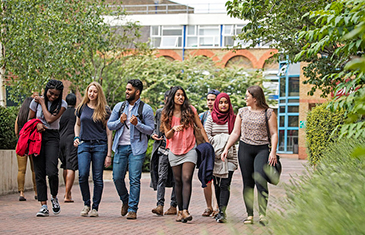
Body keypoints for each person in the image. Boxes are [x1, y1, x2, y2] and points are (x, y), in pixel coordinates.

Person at [222, 85, 278, 225]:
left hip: (262, 149)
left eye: (247, 96)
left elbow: (274, 133)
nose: (245, 99)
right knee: (248, 182)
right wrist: (226, 147)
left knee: (260, 181)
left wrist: (273, 152)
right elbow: (236, 132)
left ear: (255, 98)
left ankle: (263, 215)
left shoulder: (269, 113)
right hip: (245, 149)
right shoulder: (242, 112)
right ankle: (250, 215)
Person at [161, 86, 209, 223]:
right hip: (174, 150)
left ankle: (186, 210)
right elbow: (167, 135)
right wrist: (173, 129)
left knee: (187, 177)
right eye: (177, 95)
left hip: (190, 149)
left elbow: (200, 127)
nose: (181, 97)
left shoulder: (190, 110)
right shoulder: (166, 113)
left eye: (182, 95)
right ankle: (180, 210)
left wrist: (207, 144)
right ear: (172, 97)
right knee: (178, 181)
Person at [107, 79, 154, 220]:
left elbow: (151, 130)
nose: (126, 92)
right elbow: (110, 125)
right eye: (126, 89)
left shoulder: (146, 109)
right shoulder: (119, 107)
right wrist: (120, 121)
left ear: (137, 92)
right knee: (117, 178)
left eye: (129, 90)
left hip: (137, 149)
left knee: (134, 179)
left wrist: (138, 124)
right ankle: (125, 200)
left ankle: (133, 209)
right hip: (120, 147)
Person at [28, 80, 67, 217]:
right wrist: (37, 124)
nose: (53, 97)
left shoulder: (62, 104)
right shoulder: (35, 102)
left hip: (52, 136)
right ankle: (43, 205)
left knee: (51, 171)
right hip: (37, 136)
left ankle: (54, 197)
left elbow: (50, 119)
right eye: (50, 93)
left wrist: (43, 102)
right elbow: (29, 119)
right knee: (39, 171)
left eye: (56, 95)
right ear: (46, 90)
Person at [73, 82, 113, 217]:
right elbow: (77, 125)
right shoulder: (81, 108)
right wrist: (76, 137)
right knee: (83, 174)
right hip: (84, 144)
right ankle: (86, 204)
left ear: (99, 93)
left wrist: (109, 154)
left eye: (95, 91)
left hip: (99, 145)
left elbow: (109, 132)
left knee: (97, 178)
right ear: (87, 92)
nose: (92, 94)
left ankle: (95, 207)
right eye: (90, 91)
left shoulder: (105, 110)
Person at [204, 93, 237, 223]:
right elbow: (207, 135)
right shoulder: (211, 118)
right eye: (221, 102)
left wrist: (225, 146)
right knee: (217, 184)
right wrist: (221, 143)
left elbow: (236, 134)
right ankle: (218, 211)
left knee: (225, 184)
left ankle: (222, 212)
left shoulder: (233, 118)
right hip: (215, 156)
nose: (223, 105)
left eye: (226, 102)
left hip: (229, 155)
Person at [150, 90, 177, 216]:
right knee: (162, 177)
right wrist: (153, 135)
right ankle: (159, 205)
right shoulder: (160, 112)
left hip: (177, 150)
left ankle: (173, 206)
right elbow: (155, 127)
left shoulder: (179, 113)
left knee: (177, 179)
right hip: (163, 149)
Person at [199, 89, 220, 217]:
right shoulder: (202, 116)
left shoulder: (222, 115)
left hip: (218, 150)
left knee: (218, 178)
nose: (210, 102)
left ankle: (217, 206)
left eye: (213, 99)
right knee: (206, 178)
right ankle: (209, 206)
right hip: (206, 151)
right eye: (208, 100)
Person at [15, 97, 37, 201]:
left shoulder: (19, 116)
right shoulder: (34, 116)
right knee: (34, 169)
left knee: (21, 170)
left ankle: (21, 193)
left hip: (21, 144)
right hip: (32, 144)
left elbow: (16, 132)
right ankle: (36, 192)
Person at [59, 93, 78, 203]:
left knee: (65, 166)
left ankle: (68, 192)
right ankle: (67, 194)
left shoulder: (62, 112)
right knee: (71, 167)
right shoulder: (77, 112)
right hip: (72, 141)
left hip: (60, 140)